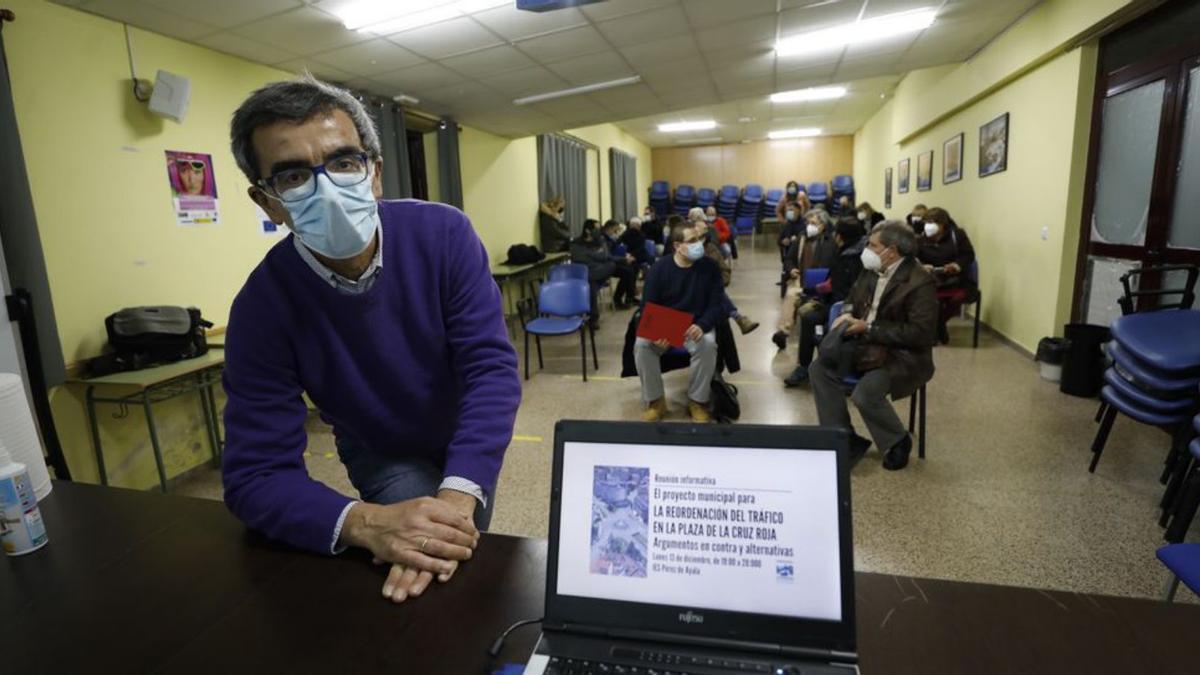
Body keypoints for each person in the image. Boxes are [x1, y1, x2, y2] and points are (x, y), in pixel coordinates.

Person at [223, 75, 521, 604]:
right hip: (379, 451)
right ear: (268, 203)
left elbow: (489, 370)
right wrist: (364, 523)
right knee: (423, 565)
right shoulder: (261, 308)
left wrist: (459, 491)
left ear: (374, 174)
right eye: (293, 175)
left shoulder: (444, 235)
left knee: (446, 550)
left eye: (342, 162)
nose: (327, 188)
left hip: (462, 431)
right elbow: (255, 474)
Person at [808, 221, 937, 471]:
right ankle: (843, 437)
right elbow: (851, 299)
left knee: (864, 394)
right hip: (863, 344)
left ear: (892, 250)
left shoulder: (920, 282)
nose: (866, 248)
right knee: (819, 370)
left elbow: (921, 334)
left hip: (900, 355)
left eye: (872, 245)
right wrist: (846, 314)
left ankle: (897, 440)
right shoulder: (871, 270)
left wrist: (869, 328)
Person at [635, 220, 724, 423]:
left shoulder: (710, 267)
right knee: (642, 345)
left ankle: (697, 401)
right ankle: (656, 401)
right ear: (677, 246)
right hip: (667, 324)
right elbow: (647, 307)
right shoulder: (659, 269)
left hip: (696, 324)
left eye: (699, 239)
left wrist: (702, 325)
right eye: (692, 240)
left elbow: (717, 304)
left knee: (708, 344)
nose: (698, 244)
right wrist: (656, 332)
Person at [783, 218, 867, 387]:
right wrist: (812, 291)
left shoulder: (851, 258)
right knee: (806, 312)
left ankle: (808, 366)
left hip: (847, 307)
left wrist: (814, 292)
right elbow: (832, 282)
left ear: (840, 236)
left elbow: (841, 288)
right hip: (836, 300)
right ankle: (804, 366)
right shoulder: (846, 252)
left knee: (810, 317)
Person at [772, 209, 838, 351]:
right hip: (801, 279)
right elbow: (789, 259)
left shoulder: (831, 242)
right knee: (791, 295)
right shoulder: (801, 238)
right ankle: (783, 333)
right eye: (808, 223)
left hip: (821, 281)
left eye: (813, 223)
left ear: (823, 225)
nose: (810, 226)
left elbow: (834, 265)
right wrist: (791, 269)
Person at [686, 211, 759, 335]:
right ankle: (738, 317)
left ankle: (737, 318)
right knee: (716, 293)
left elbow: (725, 270)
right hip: (690, 288)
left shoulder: (711, 248)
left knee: (715, 292)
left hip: (711, 288)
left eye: (703, 228)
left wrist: (718, 283)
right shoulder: (685, 249)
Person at [916, 207, 976, 344]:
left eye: (932, 222)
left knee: (958, 298)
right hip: (930, 280)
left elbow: (968, 255)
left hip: (956, 279)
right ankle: (936, 327)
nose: (928, 226)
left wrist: (956, 265)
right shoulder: (920, 239)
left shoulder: (957, 235)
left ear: (943, 224)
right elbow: (913, 258)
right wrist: (922, 266)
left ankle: (939, 323)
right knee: (927, 299)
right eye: (927, 222)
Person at [570, 219, 618, 326]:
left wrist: (590, 255)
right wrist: (596, 255)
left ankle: (593, 317)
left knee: (612, 265)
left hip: (596, 270)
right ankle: (593, 318)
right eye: (596, 228)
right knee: (591, 284)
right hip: (585, 272)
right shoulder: (576, 243)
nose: (599, 230)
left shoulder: (600, 240)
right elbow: (580, 259)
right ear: (587, 230)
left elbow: (605, 256)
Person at [602, 218, 641, 308]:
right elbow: (607, 256)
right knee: (628, 272)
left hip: (613, 260)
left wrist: (625, 256)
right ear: (610, 228)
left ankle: (629, 297)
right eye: (615, 230)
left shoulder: (609, 238)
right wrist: (623, 259)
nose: (616, 232)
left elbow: (616, 248)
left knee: (633, 267)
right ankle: (619, 299)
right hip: (606, 264)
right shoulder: (603, 239)